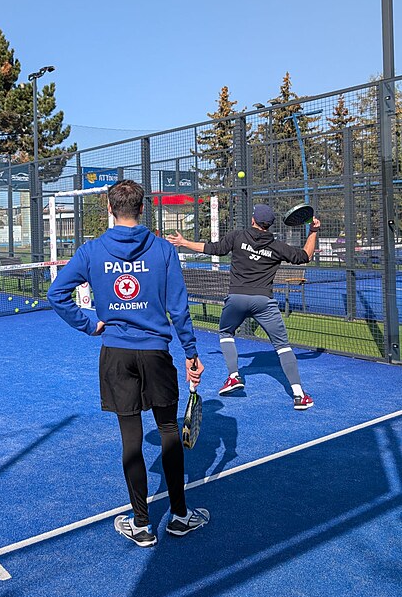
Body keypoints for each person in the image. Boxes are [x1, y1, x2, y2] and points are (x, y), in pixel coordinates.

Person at [47, 180, 210, 548]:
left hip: (116, 355)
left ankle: (141, 524)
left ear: (109, 208)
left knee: (131, 438)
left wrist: (89, 324)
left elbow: (56, 294)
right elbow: (179, 308)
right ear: (142, 208)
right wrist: (191, 352)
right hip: (156, 353)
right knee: (168, 430)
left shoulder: (91, 250)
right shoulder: (163, 250)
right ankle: (180, 516)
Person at [167, 204, 320, 410]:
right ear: (269, 224)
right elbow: (305, 256)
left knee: (226, 332)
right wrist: (313, 231)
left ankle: (234, 376)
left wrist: (183, 242)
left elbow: (212, 249)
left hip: (237, 299)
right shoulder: (277, 246)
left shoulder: (237, 237)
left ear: (253, 220)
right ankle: (299, 395)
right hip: (264, 302)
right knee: (283, 346)